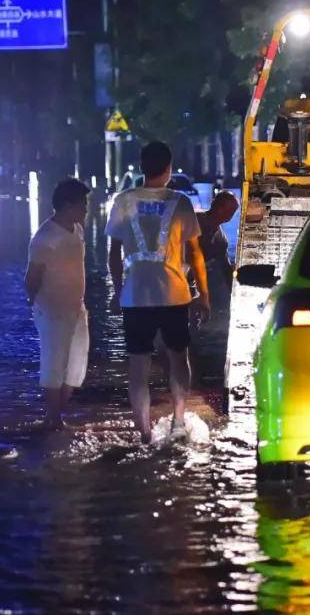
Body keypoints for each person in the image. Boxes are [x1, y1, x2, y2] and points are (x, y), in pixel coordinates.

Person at [106, 141, 210, 444]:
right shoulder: (180, 203)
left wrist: (117, 289)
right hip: (174, 295)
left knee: (138, 366)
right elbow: (196, 253)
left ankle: (144, 433)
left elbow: (113, 253)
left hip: (135, 296)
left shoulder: (123, 201)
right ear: (168, 168)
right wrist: (203, 295)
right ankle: (178, 422)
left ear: (141, 167)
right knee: (178, 358)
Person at [25, 178, 91, 431]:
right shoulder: (44, 239)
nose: (85, 210)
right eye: (82, 204)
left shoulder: (78, 230)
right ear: (67, 205)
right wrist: (38, 306)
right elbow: (31, 279)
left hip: (76, 307)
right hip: (52, 310)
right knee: (54, 362)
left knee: (76, 365)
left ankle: (57, 415)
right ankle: (53, 419)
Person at [195, 191, 239, 289]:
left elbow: (225, 267)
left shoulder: (221, 240)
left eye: (232, 211)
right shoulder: (193, 220)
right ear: (214, 204)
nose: (228, 214)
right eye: (225, 208)